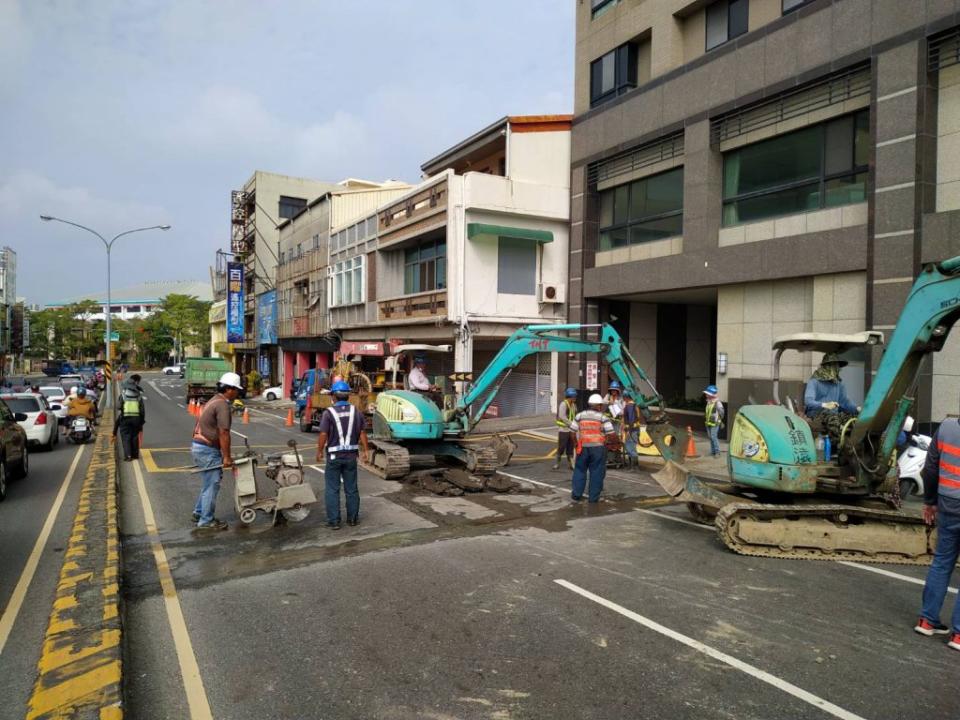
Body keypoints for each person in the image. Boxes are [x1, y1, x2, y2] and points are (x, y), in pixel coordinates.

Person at [913, 412, 960, 651]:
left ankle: (927, 620)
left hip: (947, 503)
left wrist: (930, 501)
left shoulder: (947, 428)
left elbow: (930, 468)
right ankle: (958, 635)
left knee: (942, 561)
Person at [190, 372, 242, 533]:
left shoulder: (214, 400)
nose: (237, 393)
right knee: (212, 485)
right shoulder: (222, 405)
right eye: (236, 390)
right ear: (229, 389)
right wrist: (226, 457)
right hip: (207, 449)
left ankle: (199, 513)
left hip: (200, 445)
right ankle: (206, 520)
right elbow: (224, 432)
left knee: (208, 483)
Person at [316, 380, 369, 529]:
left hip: (334, 457)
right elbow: (362, 433)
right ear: (348, 396)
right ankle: (352, 519)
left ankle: (334, 521)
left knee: (332, 489)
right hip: (351, 456)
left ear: (333, 396)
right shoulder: (356, 412)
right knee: (351, 489)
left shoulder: (328, 413)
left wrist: (319, 451)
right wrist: (366, 450)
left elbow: (323, 434)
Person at [569, 394, 616, 503]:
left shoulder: (579, 416)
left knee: (580, 471)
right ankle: (593, 498)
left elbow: (572, 433)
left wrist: (576, 445)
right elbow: (612, 434)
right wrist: (610, 443)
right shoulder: (603, 417)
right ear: (599, 406)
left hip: (583, 447)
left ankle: (576, 495)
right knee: (596, 472)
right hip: (598, 449)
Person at [804, 353, 858, 447]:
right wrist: (824, 405)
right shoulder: (814, 382)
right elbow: (808, 401)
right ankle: (838, 446)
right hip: (817, 415)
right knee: (833, 419)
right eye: (831, 365)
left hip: (834, 414)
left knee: (854, 419)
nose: (834, 368)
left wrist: (857, 408)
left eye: (836, 366)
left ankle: (856, 445)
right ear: (825, 366)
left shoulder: (838, 384)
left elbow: (844, 402)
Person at [112, 385, 145, 462]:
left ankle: (128, 456)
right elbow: (142, 411)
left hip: (125, 419)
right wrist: (141, 422)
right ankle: (135, 455)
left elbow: (118, 407)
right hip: (136, 419)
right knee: (134, 437)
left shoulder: (123, 396)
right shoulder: (139, 397)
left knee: (126, 437)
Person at [553, 388, 578, 471]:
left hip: (571, 430)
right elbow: (562, 416)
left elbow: (575, 415)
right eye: (574, 396)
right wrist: (572, 424)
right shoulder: (563, 404)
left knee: (570, 447)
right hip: (563, 429)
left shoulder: (574, 405)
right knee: (561, 446)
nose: (575, 398)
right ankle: (557, 462)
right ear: (569, 396)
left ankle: (571, 464)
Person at [704, 385, 725, 457]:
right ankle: (713, 451)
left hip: (715, 423)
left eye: (707, 393)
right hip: (708, 423)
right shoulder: (709, 402)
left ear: (711, 394)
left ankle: (717, 452)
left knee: (713, 437)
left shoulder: (717, 403)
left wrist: (718, 420)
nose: (706, 394)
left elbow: (722, 412)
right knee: (711, 437)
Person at [622, 392, 641, 468]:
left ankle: (634, 466)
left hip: (631, 430)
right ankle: (632, 465)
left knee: (630, 447)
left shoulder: (630, 406)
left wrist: (629, 431)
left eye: (624, 397)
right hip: (634, 429)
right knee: (631, 446)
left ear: (626, 397)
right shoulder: (633, 405)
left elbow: (631, 419)